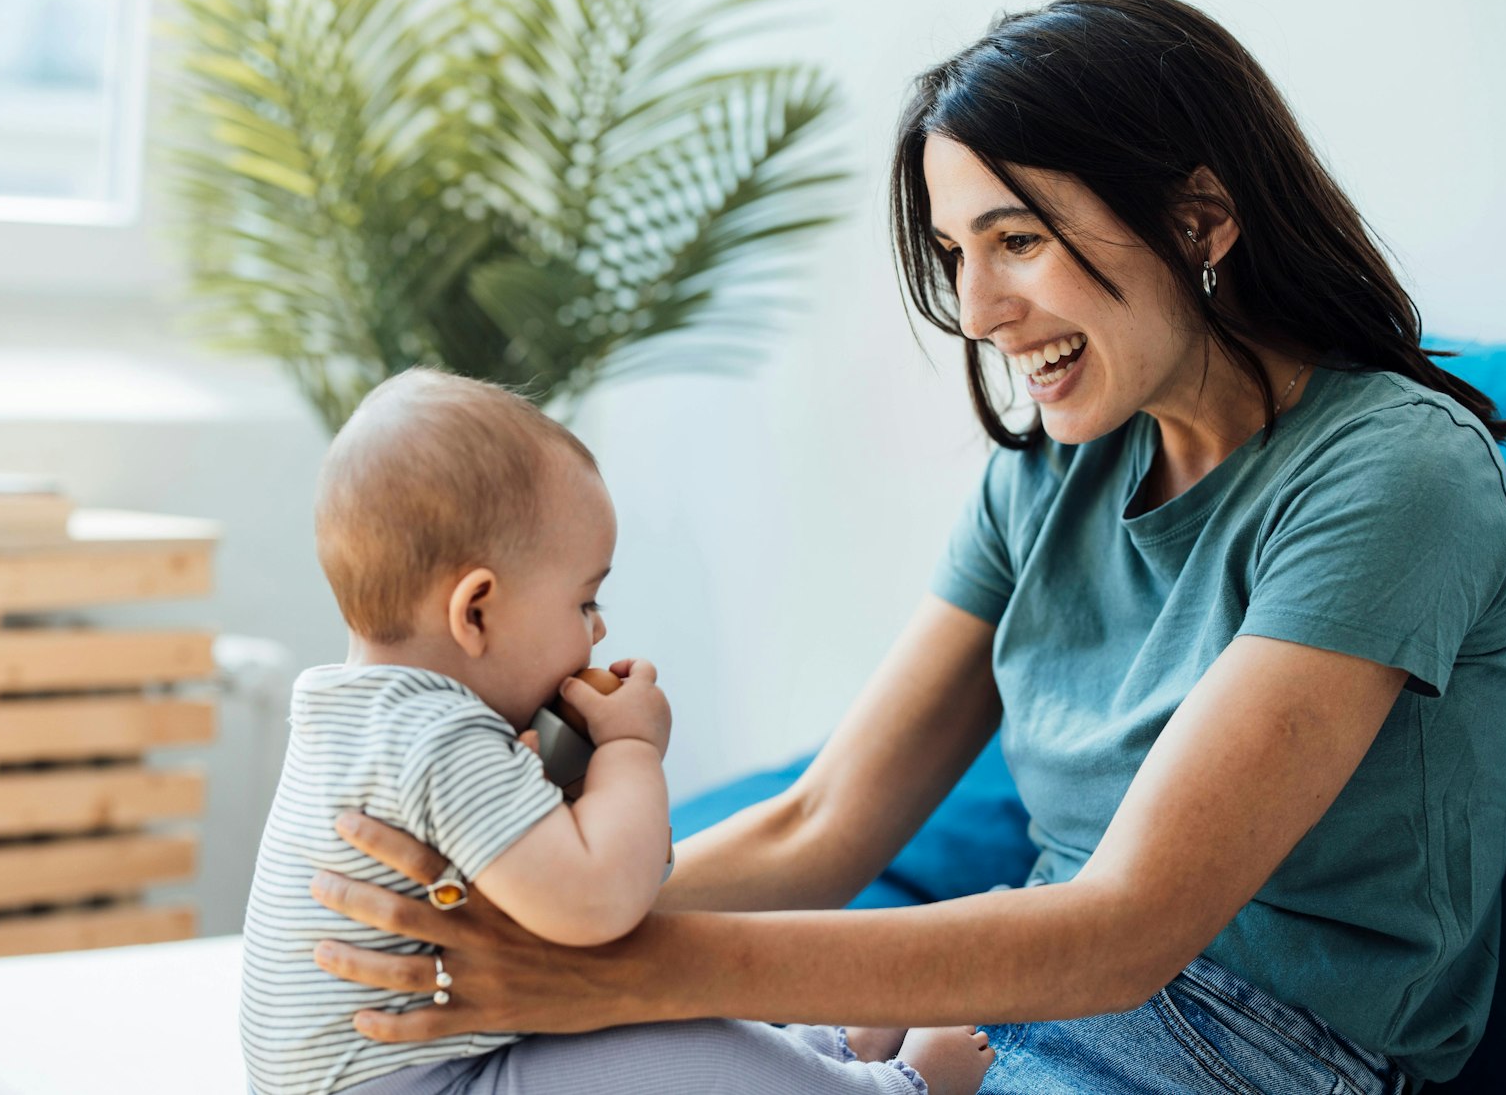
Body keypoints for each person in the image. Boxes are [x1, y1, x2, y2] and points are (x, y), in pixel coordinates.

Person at [301, 0, 1506, 1095]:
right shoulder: (1051, 471)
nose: (981, 312)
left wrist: (622, 974)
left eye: (1018, 239)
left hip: (1254, 1042)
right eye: (955, 253)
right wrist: (487, 931)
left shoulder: (1393, 474)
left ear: (1200, 220)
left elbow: (1129, 924)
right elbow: (821, 818)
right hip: (1009, 990)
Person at [240, 367, 997, 1094]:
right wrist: (633, 752)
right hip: (442, 1081)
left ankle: (825, 1050)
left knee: (636, 1013)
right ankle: (902, 1086)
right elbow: (601, 906)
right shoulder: (443, 739)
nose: (598, 629)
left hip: (415, 1063)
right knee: (657, 1031)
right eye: (584, 601)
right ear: (475, 611)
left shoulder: (350, 714)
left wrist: (567, 776)